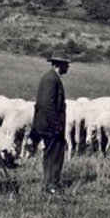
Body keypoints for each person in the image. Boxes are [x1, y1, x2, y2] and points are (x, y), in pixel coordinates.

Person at [31, 51, 70, 194]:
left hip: (48, 124)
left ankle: (49, 184)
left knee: (51, 153)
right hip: (50, 126)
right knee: (54, 154)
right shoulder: (51, 79)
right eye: (66, 64)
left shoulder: (50, 78)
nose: (68, 67)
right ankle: (52, 185)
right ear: (59, 64)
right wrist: (56, 125)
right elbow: (47, 104)